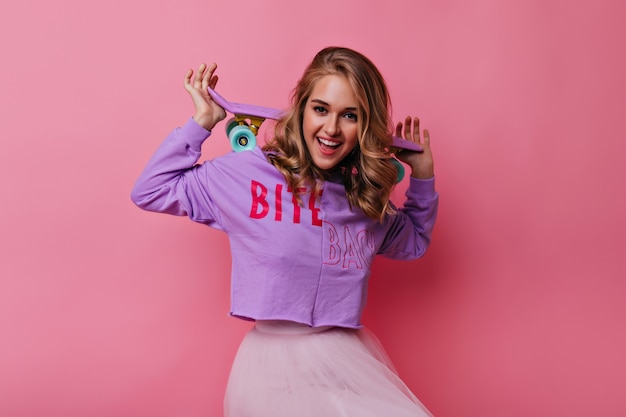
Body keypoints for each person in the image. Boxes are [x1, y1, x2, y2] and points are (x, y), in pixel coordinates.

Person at [131, 46, 438, 417]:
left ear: (364, 126)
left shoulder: (362, 199)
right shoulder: (248, 176)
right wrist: (202, 123)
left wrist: (422, 175)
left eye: (350, 115)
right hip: (273, 373)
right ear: (302, 109)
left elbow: (415, 241)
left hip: (345, 363)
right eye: (321, 109)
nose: (331, 129)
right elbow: (151, 190)